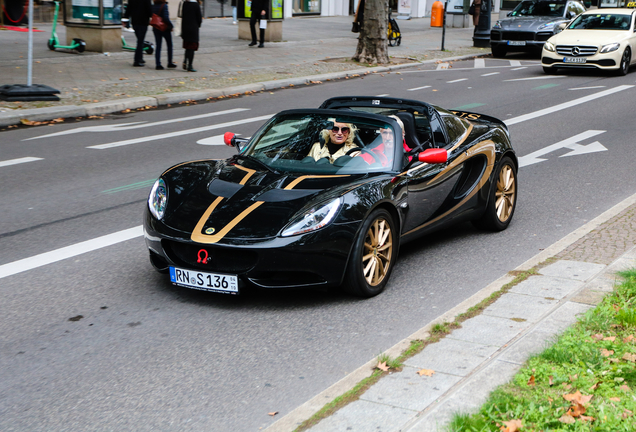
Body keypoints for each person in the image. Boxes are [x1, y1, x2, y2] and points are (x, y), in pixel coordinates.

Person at [126, 0, 153, 67]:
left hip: (135, 21)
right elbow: (149, 10)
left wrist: (125, 18)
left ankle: (140, 58)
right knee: (140, 42)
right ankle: (137, 60)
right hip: (143, 22)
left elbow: (128, 8)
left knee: (140, 40)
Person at [151, 0, 176, 70]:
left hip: (156, 27)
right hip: (164, 28)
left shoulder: (153, 6)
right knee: (169, 45)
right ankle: (169, 62)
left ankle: (158, 63)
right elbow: (166, 17)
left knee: (158, 45)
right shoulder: (164, 5)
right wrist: (171, 26)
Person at [180, 0, 202, 72]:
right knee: (192, 47)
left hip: (185, 28)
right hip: (193, 28)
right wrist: (198, 25)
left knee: (187, 46)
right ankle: (190, 65)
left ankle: (185, 60)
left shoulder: (185, 4)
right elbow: (199, 18)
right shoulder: (195, 5)